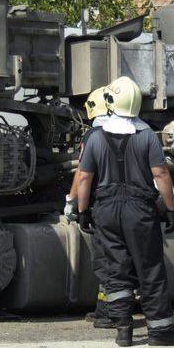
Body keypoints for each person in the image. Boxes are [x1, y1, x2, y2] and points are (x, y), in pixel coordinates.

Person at [75, 77, 174, 347]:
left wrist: (82, 211)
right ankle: (160, 332)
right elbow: (161, 174)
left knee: (115, 269)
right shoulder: (147, 136)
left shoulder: (96, 137)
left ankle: (123, 329)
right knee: (149, 269)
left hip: (106, 210)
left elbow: (85, 177)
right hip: (140, 210)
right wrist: (170, 210)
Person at [66, 87, 115, 329]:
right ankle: (108, 310)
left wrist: (74, 204)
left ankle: (109, 313)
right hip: (131, 207)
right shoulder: (134, 131)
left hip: (102, 207)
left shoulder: (94, 136)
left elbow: (83, 174)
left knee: (105, 263)